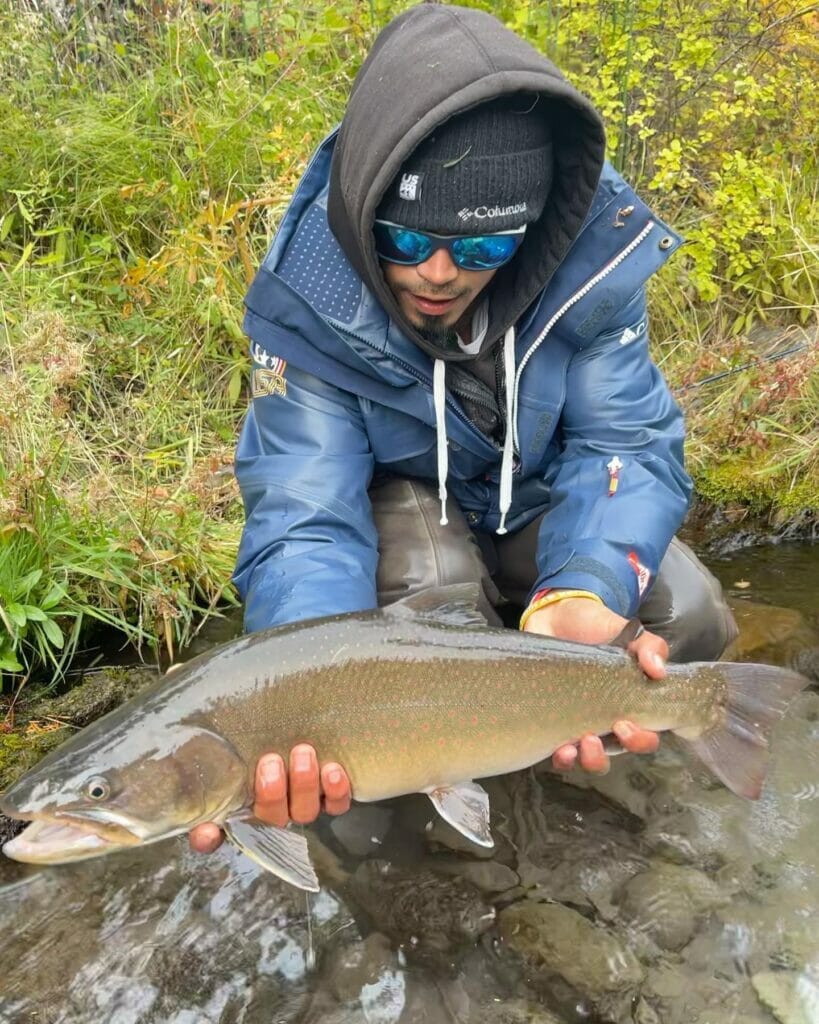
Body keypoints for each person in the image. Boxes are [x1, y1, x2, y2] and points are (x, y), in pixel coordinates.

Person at [190, 3, 737, 854]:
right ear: (371, 207)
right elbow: (303, 517)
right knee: (422, 595)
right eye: (409, 238)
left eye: (480, 249)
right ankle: (426, 836)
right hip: (403, 500)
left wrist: (585, 588)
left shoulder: (592, 264)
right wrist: (304, 707)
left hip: (535, 488)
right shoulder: (310, 298)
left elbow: (624, 444)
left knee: (686, 612)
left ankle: (591, 793)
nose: (439, 274)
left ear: (527, 231)